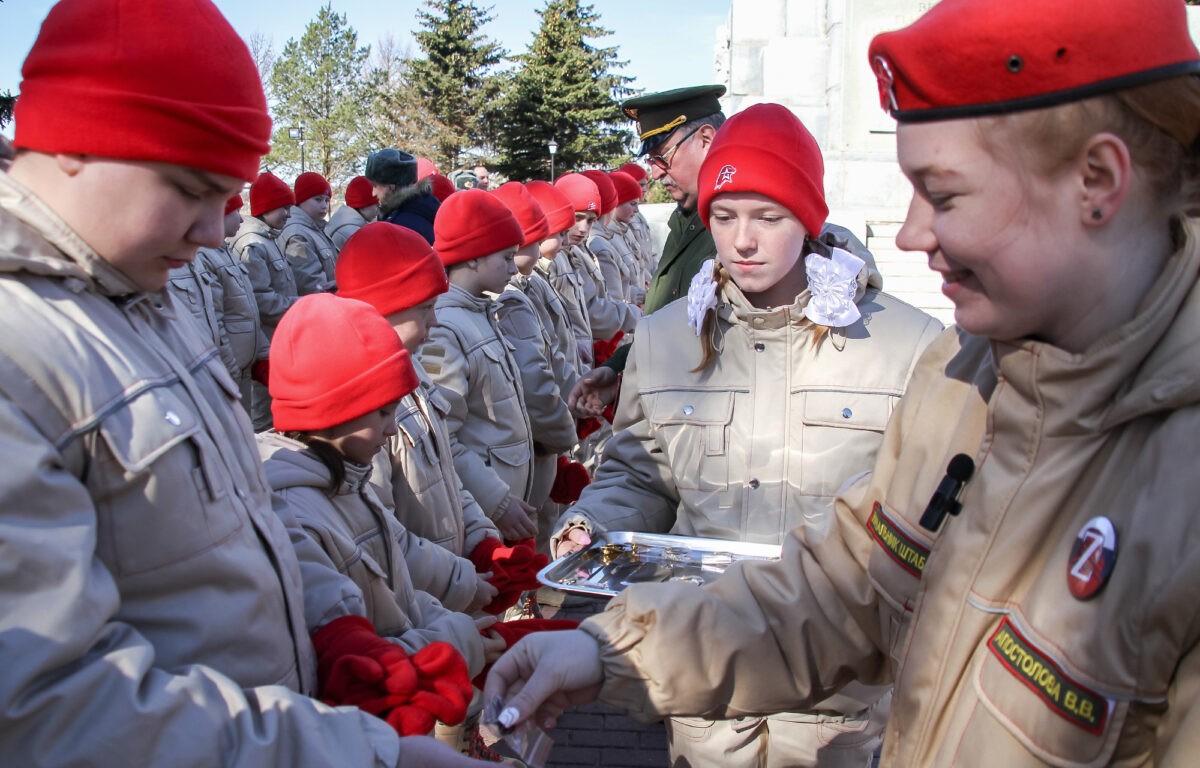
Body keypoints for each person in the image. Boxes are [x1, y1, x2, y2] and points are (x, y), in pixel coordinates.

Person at [488, 0, 1200, 764]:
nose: (911, 233)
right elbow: (848, 589)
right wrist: (615, 655)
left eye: (946, 193)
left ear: (1097, 180)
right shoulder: (963, 383)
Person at [0, 0, 491, 764]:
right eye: (192, 190)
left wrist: (333, 626)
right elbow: (49, 706)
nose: (210, 231)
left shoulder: (141, 300)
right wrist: (347, 753)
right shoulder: (18, 350)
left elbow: (242, 528)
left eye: (224, 198)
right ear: (78, 141)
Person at [549, 103, 942, 767]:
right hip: (707, 689)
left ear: (809, 216)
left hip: (841, 700)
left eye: (768, 216)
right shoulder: (668, 336)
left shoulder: (907, 345)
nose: (742, 242)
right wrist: (593, 524)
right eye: (724, 217)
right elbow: (640, 472)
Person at [257, 292, 499, 713]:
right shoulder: (297, 516)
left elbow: (397, 579)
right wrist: (456, 642)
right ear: (337, 410)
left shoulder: (349, 480)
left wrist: (456, 615)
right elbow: (357, 654)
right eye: (383, 414)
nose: (391, 431)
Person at [566, 85, 725, 418]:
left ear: (706, 140)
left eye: (662, 157)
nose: (654, 174)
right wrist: (618, 368)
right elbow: (671, 319)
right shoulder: (689, 220)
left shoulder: (730, 231)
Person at [419, 190, 538, 543]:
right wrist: (494, 501)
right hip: (482, 507)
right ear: (473, 258)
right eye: (505, 257)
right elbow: (442, 435)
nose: (514, 267)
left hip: (507, 489)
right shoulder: (444, 328)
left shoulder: (481, 312)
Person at [232, 170, 299, 430]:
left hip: (276, 342)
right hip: (265, 345)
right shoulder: (253, 245)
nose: (289, 215)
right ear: (267, 208)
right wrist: (298, 305)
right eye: (284, 208)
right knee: (263, 415)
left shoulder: (268, 240)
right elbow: (260, 299)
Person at [201, 193, 271, 415]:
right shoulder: (207, 257)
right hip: (232, 371)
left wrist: (262, 354)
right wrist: (230, 368)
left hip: (243, 368)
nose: (241, 221)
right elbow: (215, 319)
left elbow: (248, 310)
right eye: (236, 213)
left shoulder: (225, 253)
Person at [279, 171, 338, 294]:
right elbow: (310, 284)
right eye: (318, 199)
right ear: (301, 200)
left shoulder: (316, 229)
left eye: (327, 200)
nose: (324, 205)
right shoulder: (298, 234)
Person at [366, 148, 440, 244]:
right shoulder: (424, 206)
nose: (373, 193)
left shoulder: (400, 225)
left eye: (375, 186)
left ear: (391, 186)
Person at [327, 175, 379, 250]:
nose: (378, 209)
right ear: (362, 206)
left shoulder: (345, 224)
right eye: (377, 205)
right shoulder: (352, 233)